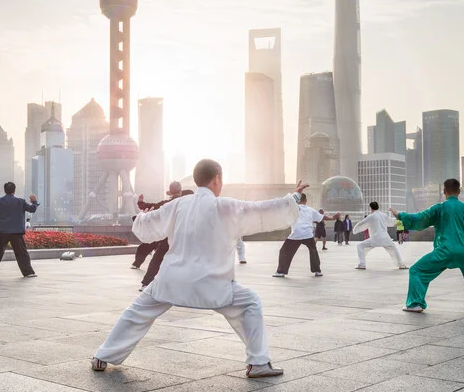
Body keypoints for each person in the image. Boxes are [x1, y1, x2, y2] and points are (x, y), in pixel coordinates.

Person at [91, 160, 308, 378]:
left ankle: (102, 356)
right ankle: (259, 363)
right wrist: (294, 198)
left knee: (136, 313)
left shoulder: (178, 204)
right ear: (217, 179)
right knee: (251, 303)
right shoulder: (225, 206)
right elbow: (262, 211)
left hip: (171, 280)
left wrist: (142, 216)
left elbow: (150, 222)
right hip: (213, 283)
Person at [391, 179, 464, 313]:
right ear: (459, 191)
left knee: (417, 271)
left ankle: (414, 304)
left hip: (444, 251)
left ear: (444, 192)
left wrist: (400, 215)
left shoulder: (439, 208)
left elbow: (419, 219)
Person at [0, 182, 39, 279]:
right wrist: (34, 201)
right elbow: (32, 209)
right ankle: (28, 272)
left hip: (2, 232)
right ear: (14, 190)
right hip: (17, 232)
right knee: (22, 253)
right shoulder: (21, 201)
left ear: (4, 190)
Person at [139, 190, 194, 289]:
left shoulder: (169, 203)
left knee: (157, 259)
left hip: (168, 237)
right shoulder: (193, 207)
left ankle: (146, 283)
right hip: (184, 240)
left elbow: (153, 207)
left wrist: (140, 203)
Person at [274, 195, 331, 278]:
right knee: (313, 251)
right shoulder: (310, 210)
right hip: (308, 234)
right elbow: (322, 217)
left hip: (296, 234)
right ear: (306, 200)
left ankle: (281, 271)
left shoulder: (293, 209)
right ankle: (317, 271)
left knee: (284, 251)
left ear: (297, 201)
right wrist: (333, 217)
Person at [130, 182, 182, 270]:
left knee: (152, 251)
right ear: (180, 191)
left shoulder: (166, 203)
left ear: (170, 191)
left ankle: (139, 269)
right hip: (178, 233)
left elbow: (152, 206)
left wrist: (140, 203)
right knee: (159, 254)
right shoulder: (185, 202)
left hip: (164, 232)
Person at [354, 201, 408, 270]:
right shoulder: (384, 215)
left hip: (375, 239)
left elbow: (362, 224)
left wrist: (355, 230)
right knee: (394, 250)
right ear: (378, 207)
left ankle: (362, 265)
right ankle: (401, 265)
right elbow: (391, 222)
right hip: (386, 238)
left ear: (371, 208)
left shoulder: (371, 216)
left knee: (360, 246)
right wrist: (400, 221)